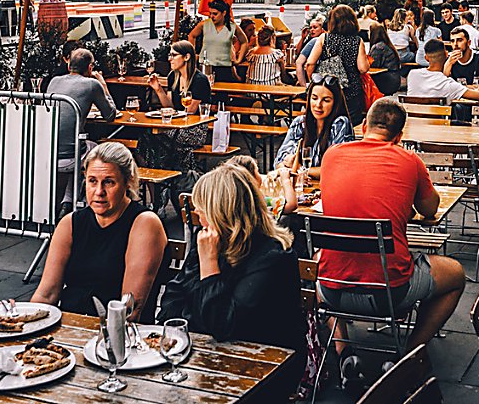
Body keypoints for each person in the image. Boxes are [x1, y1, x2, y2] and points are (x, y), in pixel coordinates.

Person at [318, 98, 465, 388]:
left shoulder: (332, 156)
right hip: (389, 292)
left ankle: (343, 350)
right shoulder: (409, 161)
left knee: (320, 259)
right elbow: (430, 208)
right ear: (399, 136)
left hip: (330, 289)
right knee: (456, 274)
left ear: (363, 126)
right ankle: (409, 355)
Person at [158, 165, 307, 358]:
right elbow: (173, 297)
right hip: (207, 353)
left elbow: (223, 324)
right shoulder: (211, 240)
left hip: (262, 362)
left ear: (221, 214)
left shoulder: (272, 257)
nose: (200, 219)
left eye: (202, 212)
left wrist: (209, 264)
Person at [31, 141, 169, 321]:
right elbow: (47, 294)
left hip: (119, 334)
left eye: (109, 182)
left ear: (128, 182)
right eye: (92, 181)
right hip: (70, 327)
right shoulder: (70, 223)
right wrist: (28, 327)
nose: (99, 191)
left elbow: (130, 309)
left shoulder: (144, 224)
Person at [47, 48, 117, 218]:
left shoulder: (54, 81)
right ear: (90, 67)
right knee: (97, 150)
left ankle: (67, 202)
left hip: (48, 152)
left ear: (69, 63)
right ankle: (80, 203)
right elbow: (110, 115)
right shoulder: (92, 84)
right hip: (70, 155)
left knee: (82, 146)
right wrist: (104, 86)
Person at [143, 40, 212, 198]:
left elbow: (190, 112)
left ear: (186, 57)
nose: (170, 58)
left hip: (195, 129)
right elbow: (170, 108)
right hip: (176, 127)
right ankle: (159, 186)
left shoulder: (199, 80)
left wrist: (170, 120)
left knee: (154, 140)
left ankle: (164, 186)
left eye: (174, 55)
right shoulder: (172, 76)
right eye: (170, 55)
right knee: (146, 140)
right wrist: (158, 89)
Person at [275, 75, 354, 175]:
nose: (318, 105)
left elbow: (337, 169)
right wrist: (288, 165)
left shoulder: (340, 124)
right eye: (314, 98)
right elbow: (279, 162)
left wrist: (299, 169)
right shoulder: (299, 123)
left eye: (326, 100)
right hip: (302, 187)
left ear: (336, 103)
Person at [305, 5, 369, 125]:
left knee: (326, 123)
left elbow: (310, 63)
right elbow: (363, 68)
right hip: (351, 91)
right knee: (349, 125)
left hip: (327, 89)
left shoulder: (325, 38)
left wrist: (314, 81)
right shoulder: (357, 41)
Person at [407, 39, 479, 105]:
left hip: (412, 123)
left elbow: (434, 81)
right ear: (447, 54)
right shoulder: (449, 85)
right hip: (438, 125)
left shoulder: (412, 75)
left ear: (426, 58)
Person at [188, 0, 247, 83]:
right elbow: (191, 35)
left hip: (225, 67)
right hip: (206, 66)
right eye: (210, 13)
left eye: (215, 14)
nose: (212, 16)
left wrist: (238, 60)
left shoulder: (232, 26)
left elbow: (244, 42)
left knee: (222, 94)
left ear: (224, 13)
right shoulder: (204, 24)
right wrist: (192, 53)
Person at [227, 154, 297, 217]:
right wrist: (286, 180)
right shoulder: (259, 202)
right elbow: (291, 205)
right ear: (251, 179)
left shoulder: (228, 203)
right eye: (257, 171)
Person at [367, 22, 401, 95]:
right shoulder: (386, 45)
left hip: (386, 81)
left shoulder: (378, 47)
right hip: (394, 79)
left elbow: (373, 66)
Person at [295, 14, 326, 83]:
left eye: (315, 27)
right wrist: (303, 38)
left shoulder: (316, 41)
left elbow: (299, 62)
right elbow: (297, 52)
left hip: (313, 75)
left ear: (322, 30)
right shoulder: (310, 40)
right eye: (310, 28)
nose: (312, 30)